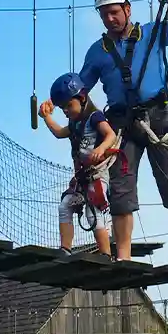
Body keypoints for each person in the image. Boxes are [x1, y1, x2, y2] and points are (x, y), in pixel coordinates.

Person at [79, 0, 168, 266]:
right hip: (122, 123)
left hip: (158, 118)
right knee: (121, 191)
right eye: (104, 14)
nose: (110, 19)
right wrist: (69, 107)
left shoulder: (152, 33)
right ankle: (122, 257)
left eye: (114, 12)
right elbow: (81, 92)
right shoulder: (97, 52)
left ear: (128, 10)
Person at [39, 72, 118, 259]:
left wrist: (101, 148)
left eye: (68, 106)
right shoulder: (74, 125)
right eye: (62, 109)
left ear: (82, 98)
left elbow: (111, 135)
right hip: (83, 177)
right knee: (65, 205)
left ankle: (105, 254)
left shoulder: (95, 117)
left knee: (94, 211)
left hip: (97, 174)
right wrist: (46, 117)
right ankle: (65, 249)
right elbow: (59, 132)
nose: (66, 111)